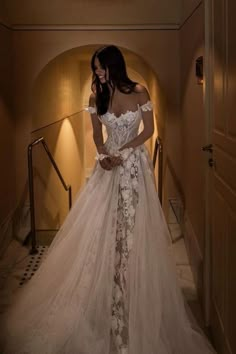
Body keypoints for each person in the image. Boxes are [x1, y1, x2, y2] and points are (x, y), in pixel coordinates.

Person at [1, 45, 216, 354]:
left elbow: (149, 130)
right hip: (108, 168)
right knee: (103, 229)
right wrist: (102, 155)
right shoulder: (95, 97)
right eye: (95, 68)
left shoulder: (139, 91)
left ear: (114, 66)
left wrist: (125, 151)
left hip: (133, 168)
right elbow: (98, 136)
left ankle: (131, 293)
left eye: (101, 67)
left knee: (131, 230)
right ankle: (106, 290)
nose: (97, 73)